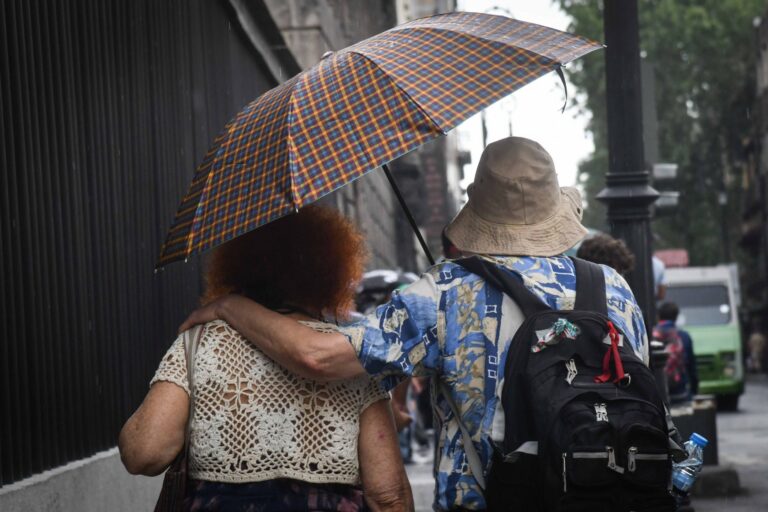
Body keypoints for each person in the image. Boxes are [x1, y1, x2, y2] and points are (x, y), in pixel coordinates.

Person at [180, 137, 650, 511]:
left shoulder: (445, 292)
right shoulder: (611, 287)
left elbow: (317, 355)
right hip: (611, 495)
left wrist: (230, 308)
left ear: (479, 207)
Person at [119, 205, 412, 512]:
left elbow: (144, 452)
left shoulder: (199, 343)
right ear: (332, 271)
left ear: (236, 266)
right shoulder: (346, 355)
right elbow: (389, 497)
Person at [656, 301, 699, 403]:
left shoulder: (651, 335)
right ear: (676, 317)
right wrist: (694, 391)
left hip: (658, 395)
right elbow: (692, 368)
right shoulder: (684, 337)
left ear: (658, 316)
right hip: (680, 393)